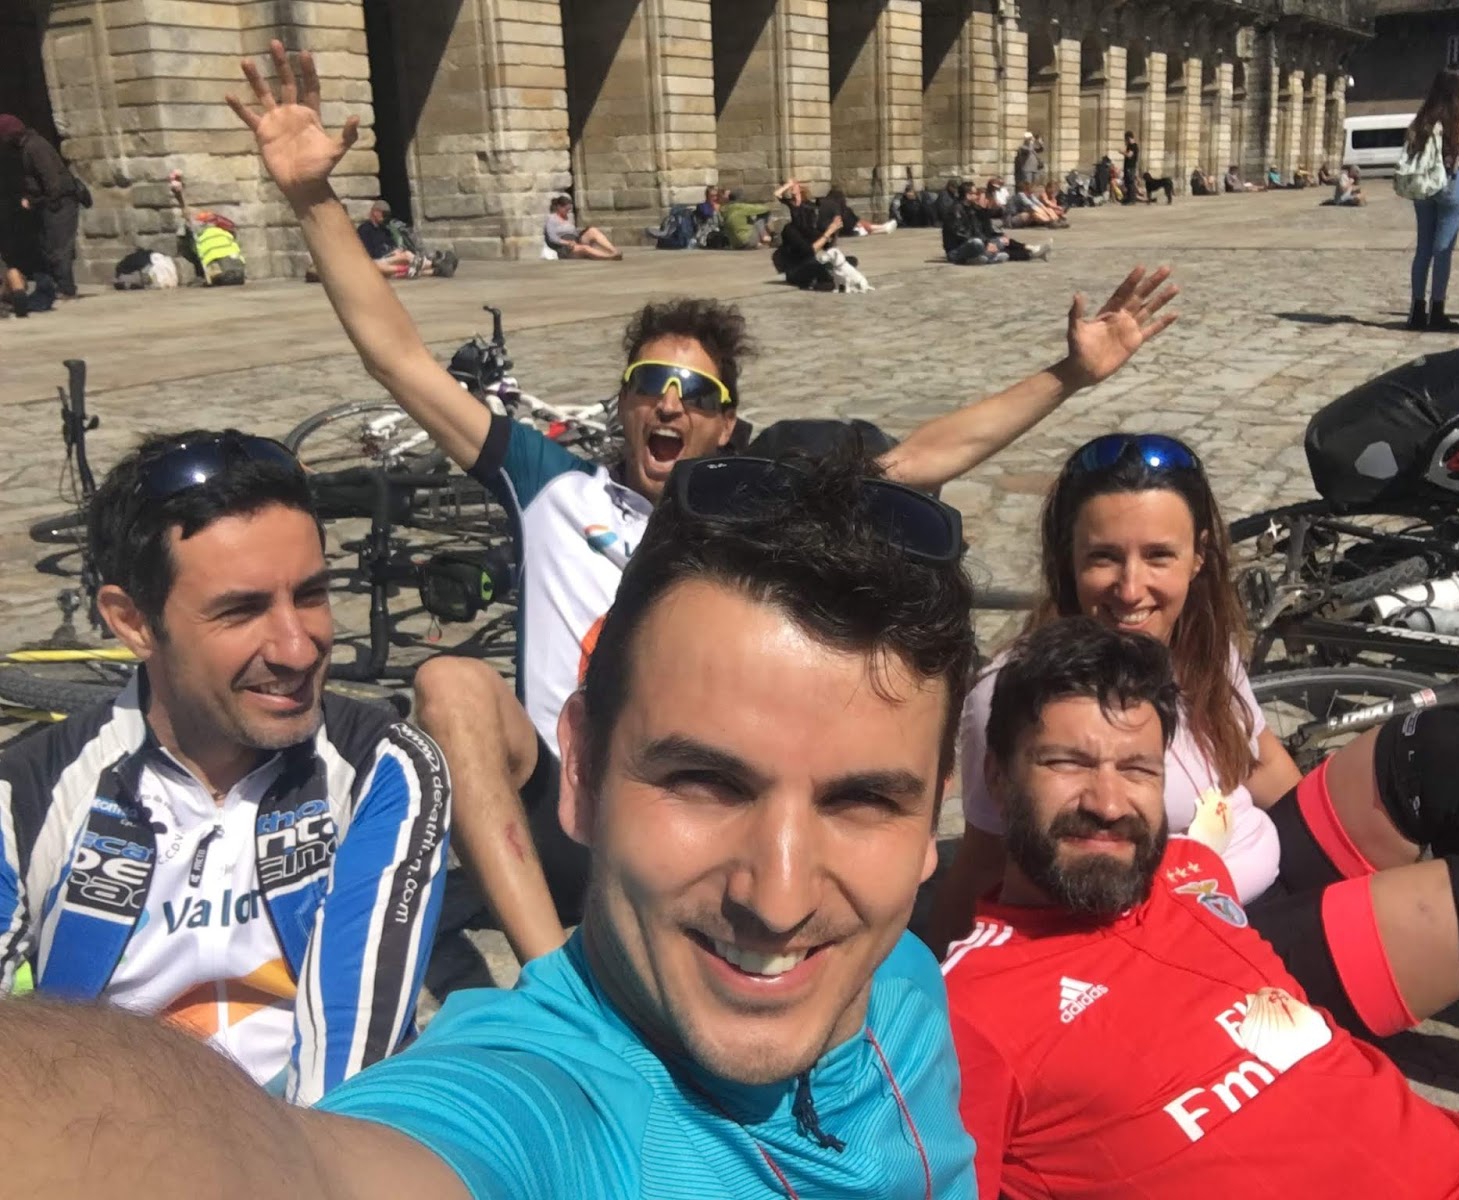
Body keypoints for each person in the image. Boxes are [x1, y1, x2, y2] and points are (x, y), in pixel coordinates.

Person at [230, 41, 1178, 961]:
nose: (671, 403)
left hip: (697, 810)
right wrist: (313, 199)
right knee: (449, 684)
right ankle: (549, 969)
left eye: (699, 393)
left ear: (727, 425)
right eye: (651, 383)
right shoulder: (550, 483)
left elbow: (925, 458)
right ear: (624, 403)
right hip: (569, 808)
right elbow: (398, 360)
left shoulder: (755, 506)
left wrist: (1069, 374)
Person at [0, 450, 985, 1200]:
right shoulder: (541, 1105)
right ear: (580, 769)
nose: (780, 898)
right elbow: (325, 1167)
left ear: (934, 804)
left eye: (864, 801)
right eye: (703, 782)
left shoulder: (900, 979)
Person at [933, 432, 1459, 1070]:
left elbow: (1263, 765)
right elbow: (985, 871)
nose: (1131, 589)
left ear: (1199, 555)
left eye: (1159, 556)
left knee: (1449, 742)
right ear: (1068, 558)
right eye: (1104, 556)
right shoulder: (1018, 694)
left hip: (1265, 864)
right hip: (1204, 942)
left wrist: (1360, 884)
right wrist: (929, 988)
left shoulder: (1195, 640)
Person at [945, 617, 1459, 1200]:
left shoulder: (1191, 872)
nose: (1109, 802)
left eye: (1138, 769)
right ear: (997, 778)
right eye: (1068, 763)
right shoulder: (967, 1018)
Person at [0, 430, 451, 1106]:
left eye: (311, 594)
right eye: (241, 610)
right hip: (103, 1139)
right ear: (132, 622)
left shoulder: (382, 768)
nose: (297, 649)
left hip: (312, 1137)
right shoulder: (23, 794)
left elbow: (346, 1077)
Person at [1404, 68, 1459, 332]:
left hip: (1424, 185)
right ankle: (1437, 310)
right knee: (1443, 249)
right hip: (1452, 181)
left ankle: (1417, 310)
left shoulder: (1423, 117)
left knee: (1423, 248)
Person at [0, 113, 80, 298]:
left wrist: (49, 201)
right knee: (49, 246)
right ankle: (58, 285)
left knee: (59, 247)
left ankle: (66, 288)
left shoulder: (35, 147)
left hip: (61, 202)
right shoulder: (26, 147)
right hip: (49, 202)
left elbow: (51, 177)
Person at [355, 199, 456, 278]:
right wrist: (389, 253)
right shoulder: (365, 229)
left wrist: (395, 250)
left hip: (388, 259)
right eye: (384, 214)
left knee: (406, 264)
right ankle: (436, 264)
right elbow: (368, 252)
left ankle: (437, 271)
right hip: (377, 260)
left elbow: (391, 243)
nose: (386, 217)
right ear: (375, 212)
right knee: (407, 256)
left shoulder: (384, 229)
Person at [545, 194, 622, 261]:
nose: (568, 211)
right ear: (559, 207)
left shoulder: (568, 217)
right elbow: (552, 238)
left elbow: (574, 232)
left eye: (569, 209)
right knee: (584, 248)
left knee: (592, 230)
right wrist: (567, 242)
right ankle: (609, 257)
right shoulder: (552, 219)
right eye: (566, 209)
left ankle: (614, 251)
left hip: (575, 240)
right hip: (564, 247)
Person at [1121, 131, 1140, 205]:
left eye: (1126, 139)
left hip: (1130, 167)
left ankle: (1132, 200)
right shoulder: (1130, 145)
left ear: (1128, 138)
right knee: (1127, 182)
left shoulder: (1133, 146)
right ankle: (1128, 198)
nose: (1125, 141)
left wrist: (1122, 152)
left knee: (1130, 183)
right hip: (1128, 167)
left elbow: (1129, 155)